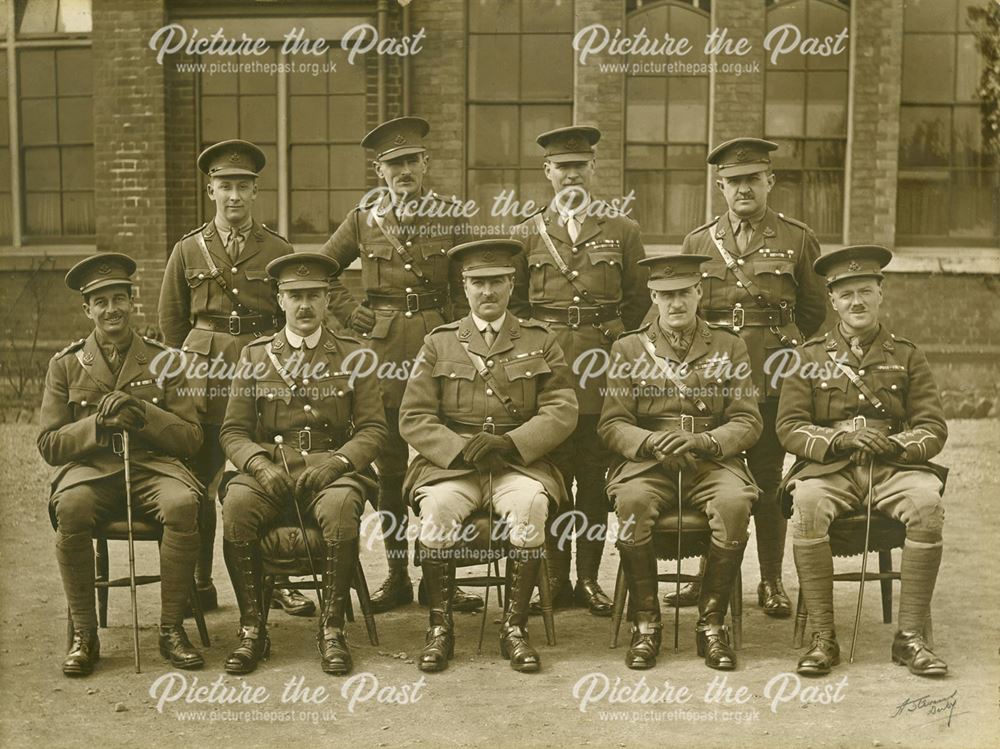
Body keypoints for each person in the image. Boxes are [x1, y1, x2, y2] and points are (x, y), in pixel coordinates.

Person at [319, 116, 481, 614]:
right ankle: (396, 575)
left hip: (439, 343)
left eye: (411, 161)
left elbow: (470, 278)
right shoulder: (364, 218)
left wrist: (463, 337)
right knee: (389, 465)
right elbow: (322, 271)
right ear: (379, 171)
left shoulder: (451, 216)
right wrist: (350, 311)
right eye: (394, 164)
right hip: (384, 347)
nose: (404, 170)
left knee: (445, 458)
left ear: (426, 164)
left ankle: (442, 579)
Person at [398, 239, 578, 673]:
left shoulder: (540, 340)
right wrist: (461, 450)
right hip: (452, 468)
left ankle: (514, 629)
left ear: (512, 284)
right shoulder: (439, 343)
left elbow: (562, 407)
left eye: (496, 281)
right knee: (437, 509)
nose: (488, 291)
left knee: (531, 504)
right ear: (464, 287)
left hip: (517, 462)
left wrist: (514, 443)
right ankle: (440, 629)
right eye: (478, 282)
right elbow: (414, 416)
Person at [669, 137, 827, 618]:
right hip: (712, 379)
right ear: (720, 186)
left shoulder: (797, 238)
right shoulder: (699, 242)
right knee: (709, 471)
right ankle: (706, 576)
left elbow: (814, 310)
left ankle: (771, 581)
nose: (743, 189)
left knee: (764, 476)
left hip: (773, 378)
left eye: (752, 180)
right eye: (734, 181)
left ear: (769, 182)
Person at [776, 245, 949, 676]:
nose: (857, 302)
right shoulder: (809, 356)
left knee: (927, 502)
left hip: (892, 467)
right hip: (830, 468)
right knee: (808, 504)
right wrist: (838, 440)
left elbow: (933, 427)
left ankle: (910, 638)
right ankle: (823, 637)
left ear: (880, 294)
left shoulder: (907, 355)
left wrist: (894, 445)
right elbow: (790, 427)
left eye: (866, 291)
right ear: (832, 300)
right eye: (847, 293)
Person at [158, 139, 313, 617]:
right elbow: (171, 323)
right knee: (201, 479)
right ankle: (198, 582)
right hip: (204, 376)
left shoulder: (278, 248)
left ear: (255, 191)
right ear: (211, 190)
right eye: (225, 186)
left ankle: (276, 582)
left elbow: (286, 322)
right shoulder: (188, 250)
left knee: (269, 469)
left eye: (243, 186)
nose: (234, 196)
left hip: (260, 369)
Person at [219, 253, 388, 675]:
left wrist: (339, 463)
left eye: (314, 295)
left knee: (338, 509)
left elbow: (372, 429)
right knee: (237, 506)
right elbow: (233, 432)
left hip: (333, 470)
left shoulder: (354, 353)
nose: (305, 305)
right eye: (295, 295)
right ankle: (252, 629)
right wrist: (258, 466)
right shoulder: (255, 356)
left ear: (328, 298)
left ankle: (331, 629)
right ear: (280, 300)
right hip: (271, 468)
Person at [40, 253, 205, 676]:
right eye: (101, 302)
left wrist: (143, 414)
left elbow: (191, 437)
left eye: (119, 298)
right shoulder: (65, 364)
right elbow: (50, 444)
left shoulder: (164, 360)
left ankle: (171, 630)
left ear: (134, 302)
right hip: (92, 473)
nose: (111, 309)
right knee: (71, 508)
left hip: (152, 469)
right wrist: (97, 424)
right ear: (87, 309)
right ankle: (84, 634)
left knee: (183, 504)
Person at [510, 125, 649, 617]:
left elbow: (638, 303)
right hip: (546, 373)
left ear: (592, 171)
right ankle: (552, 574)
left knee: (592, 479)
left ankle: (588, 578)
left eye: (579, 165)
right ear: (547, 173)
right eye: (560, 166)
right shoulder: (525, 233)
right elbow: (519, 306)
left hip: (600, 370)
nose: (571, 173)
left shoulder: (623, 231)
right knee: (547, 477)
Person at [599, 254, 762, 670]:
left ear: (699, 293)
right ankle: (646, 625)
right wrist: (652, 441)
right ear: (652, 296)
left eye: (684, 294)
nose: (676, 304)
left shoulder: (730, 345)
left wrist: (706, 440)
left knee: (734, 503)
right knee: (632, 502)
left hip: (710, 461)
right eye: (666, 295)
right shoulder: (628, 347)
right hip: (650, 464)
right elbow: (613, 423)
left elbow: (747, 419)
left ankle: (711, 626)